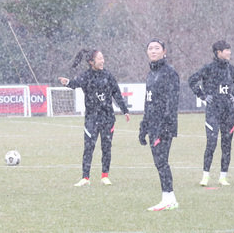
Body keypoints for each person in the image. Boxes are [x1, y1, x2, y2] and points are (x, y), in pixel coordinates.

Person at [58, 49, 130, 187]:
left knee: (106, 147)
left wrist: (124, 110)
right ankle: (85, 178)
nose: (102, 61)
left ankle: (105, 176)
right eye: (99, 58)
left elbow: (116, 93)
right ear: (92, 62)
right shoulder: (86, 76)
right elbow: (74, 84)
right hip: (92, 118)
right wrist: (67, 82)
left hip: (108, 118)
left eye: (103, 58)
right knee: (88, 148)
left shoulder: (108, 76)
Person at [188, 40, 234, 187]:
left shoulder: (231, 69)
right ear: (218, 52)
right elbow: (192, 80)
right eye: (226, 50)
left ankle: (223, 177)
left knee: (227, 145)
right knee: (211, 143)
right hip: (213, 112)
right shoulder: (209, 68)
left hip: (228, 113)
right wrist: (203, 96)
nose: (229, 52)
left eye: (229, 50)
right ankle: (205, 176)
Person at [138, 39, 180, 211]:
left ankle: (169, 198)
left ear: (164, 51)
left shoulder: (169, 72)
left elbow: (172, 100)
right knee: (159, 162)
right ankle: (169, 198)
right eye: (150, 48)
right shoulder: (151, 74)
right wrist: (144, 126)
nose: (153, 51)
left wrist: (165, 124)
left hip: (164, 126)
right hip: (153, 125)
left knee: (162, 162)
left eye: (157, 48)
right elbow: (149, 103)